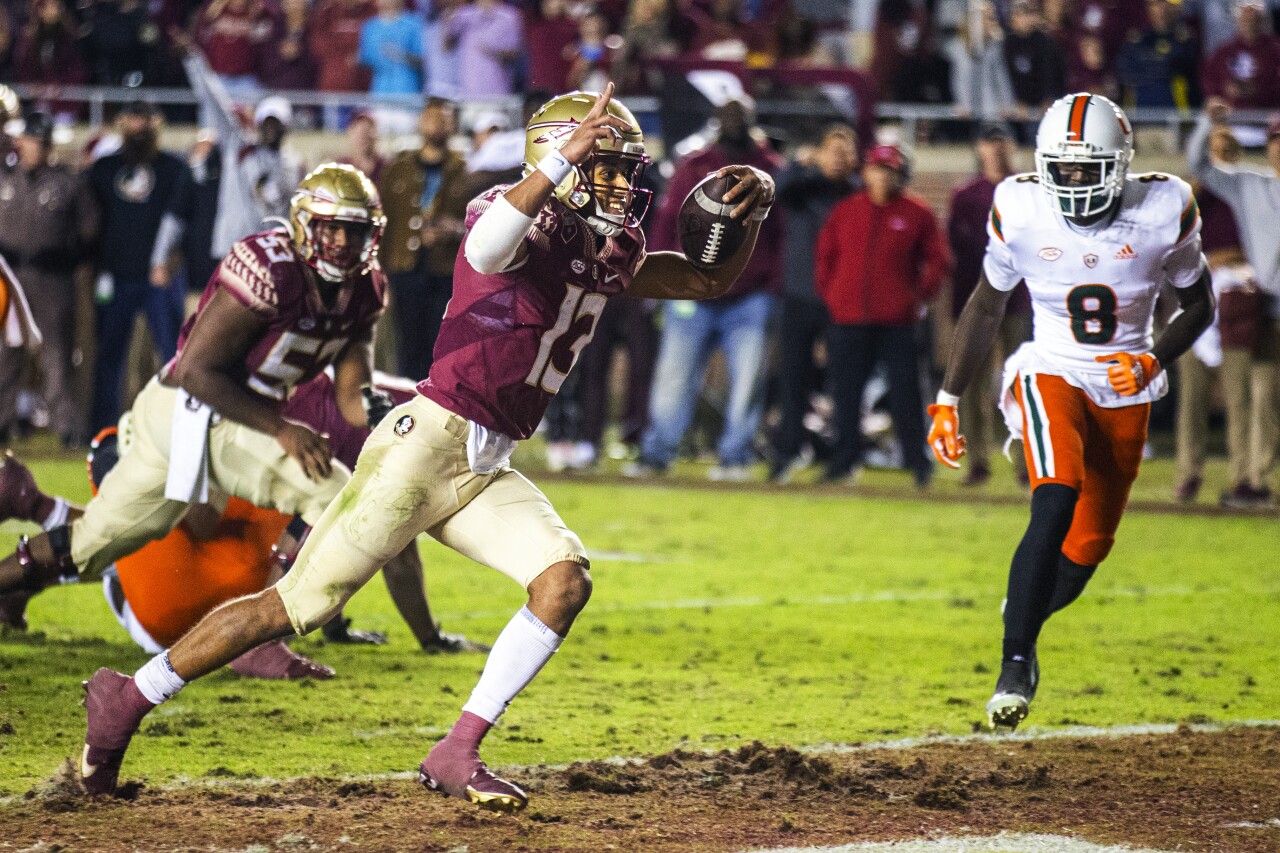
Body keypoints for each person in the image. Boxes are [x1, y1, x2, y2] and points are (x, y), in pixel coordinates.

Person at [73, 85, 774, 812]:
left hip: (486, 460)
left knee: (564, 579)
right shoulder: (508, 215)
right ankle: (127, 696)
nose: (624, 185)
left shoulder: (606, 246)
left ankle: (457, 748)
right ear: (557, 157)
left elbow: (705, 276)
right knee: (295, 604)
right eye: (609, 167)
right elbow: (488, 244)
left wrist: (746, 215)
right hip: (424, 443)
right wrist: (565, 162)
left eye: (625, 169)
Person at [0, 162, 387, 660]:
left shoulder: (366, 290)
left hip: (227, 420)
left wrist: (394, 416)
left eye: (353, 230)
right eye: (329, 227)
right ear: (303, 224)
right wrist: (284, 431)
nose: (340, 241)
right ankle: (262, 642)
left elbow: (354, 397)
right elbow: (196, 372)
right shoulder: (270, 268)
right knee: (338, 499)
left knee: (91, 546)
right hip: (194, 410)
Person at [927, 93, 1214, 731]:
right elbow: (984, 305)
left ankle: (1022, 615)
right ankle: (1015, 661)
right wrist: (948, 398)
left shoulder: (1166, 207)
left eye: (1089, 169)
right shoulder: (1021, 207)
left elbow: (1199, 306)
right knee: (1055, 494)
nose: (1075, 182)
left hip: (1125, 384)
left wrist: (1154, 361)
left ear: (1121, 164)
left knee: (1087, 548)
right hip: (1050, 368)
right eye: (1063, 168)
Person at [0, 374, 488, 658]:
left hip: (159, 448)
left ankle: (34, 523)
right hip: (178, 494)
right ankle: (36, 519)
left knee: (129, 539)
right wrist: (429, 639)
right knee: (195, 557)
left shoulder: (346, 395)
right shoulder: (399, 429)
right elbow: (370, 554)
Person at [629, 97, 784, 482]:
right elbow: (667, 222)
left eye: (740, 116)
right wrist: (661, 283)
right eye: (728, 116)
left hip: (750, 295)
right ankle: (657, 453)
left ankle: (735, 457)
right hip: (689, 292)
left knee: (747, 383)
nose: (734, 122)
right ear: (716, 121)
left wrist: (773, 287)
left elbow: (783, 236)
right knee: (673, 377)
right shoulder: (694, 165)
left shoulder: (770, 170)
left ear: (752, 120)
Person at [816, 143, 949, 488]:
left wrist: (919, 296)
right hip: (849, 319)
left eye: (889, 170)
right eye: (877, 169)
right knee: (846, 393)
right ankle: (844, 461)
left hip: (897, 321)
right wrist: (833, 298)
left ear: (900, 174)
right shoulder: (847, 211)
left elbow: (938, 260)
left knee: (907, 392)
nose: (882, 177)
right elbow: (825, 258)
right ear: (866, 172)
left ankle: (917, 462)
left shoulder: (917, 213)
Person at [1186, 100, 1280, 507]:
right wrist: (1209, 121)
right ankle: (1250, 480)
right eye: (1276, 139)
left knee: (1267, 398)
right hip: (1259, 305)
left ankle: (1256, 477)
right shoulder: (1251, 183)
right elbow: (1199, 166)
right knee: (1255, 396)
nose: (1279, 146)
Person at [86, 101, 189, 432]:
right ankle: (102, 428)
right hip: (116, 277)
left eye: (145, 118)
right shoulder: (103, 168)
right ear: (121, 122)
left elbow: (186, 218)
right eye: (133, 117)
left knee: (173, 355)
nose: (139, 125)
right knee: (109, 355)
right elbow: (89, 221)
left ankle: (181, 425)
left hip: (159, 278)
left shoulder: (174, 167)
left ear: (157, 122)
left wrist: (173, 260)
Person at [0, 112, 99, 447]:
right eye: (29, 140)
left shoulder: (67, 182)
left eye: (40, 142)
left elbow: (90, 231)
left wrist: (68, 256)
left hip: (51, 278)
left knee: (57, 354)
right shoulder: (5, 178)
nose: (34, 148)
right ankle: (2, 422)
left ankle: (67, 428)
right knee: (5, 353)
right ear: (19, 141)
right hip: (9, 276)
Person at [769, 124, 859, 484]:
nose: (838, 158)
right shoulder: (801, 188)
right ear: (818, 152)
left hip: (841, 302)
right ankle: (786, 452)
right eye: (832, 150)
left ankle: (843, 457)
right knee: (792, 380)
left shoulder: (857, 195)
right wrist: (797, 163)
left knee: (844, 384)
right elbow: (776, 190)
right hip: (798, 296)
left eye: (845, 151)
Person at [945, 123, 1031, 487]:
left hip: (1019, 299)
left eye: (1001, 141)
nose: (995, 148)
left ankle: (1028, 465)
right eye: (988, 141)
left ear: (1010, 145)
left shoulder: (1028, 191)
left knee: (1025, 385)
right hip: (976, 298)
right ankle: (978, 460)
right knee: (970, 384)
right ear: (979, 147)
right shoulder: (965, 195)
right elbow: (957, 250)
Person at [378, 99, 470, 380]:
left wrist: (454, 230)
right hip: (404, 268)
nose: (437, 123)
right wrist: (379, 273)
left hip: (446, 272)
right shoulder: (399, 168)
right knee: (406, 346)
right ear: (420, 122)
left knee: (440, 345)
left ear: (453, 125)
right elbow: (384, 220)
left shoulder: (465, 171)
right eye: (431, 117)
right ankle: (406, 406)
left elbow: (479, 219)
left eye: (443, 118)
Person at [183, 46, 304, 260]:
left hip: (272, 255)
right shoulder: (239, 147)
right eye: (266, 123)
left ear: (286, 128)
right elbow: (214, 101)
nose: (270, 129)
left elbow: (293, 213)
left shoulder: (294, 164)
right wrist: (193, 60)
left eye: (276, 124)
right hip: (233, 249)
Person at [1200, 0, 1280, 109]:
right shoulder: (1224, 51)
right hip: (1232, 116)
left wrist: (1260, 90)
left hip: (1269, 116)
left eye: (1256, 20)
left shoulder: (1275, 51)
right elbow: (1210, 81)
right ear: (1238, 21)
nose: (1251, 25)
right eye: (1246, 20)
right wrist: (1225, 90)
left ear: (1264, 21)